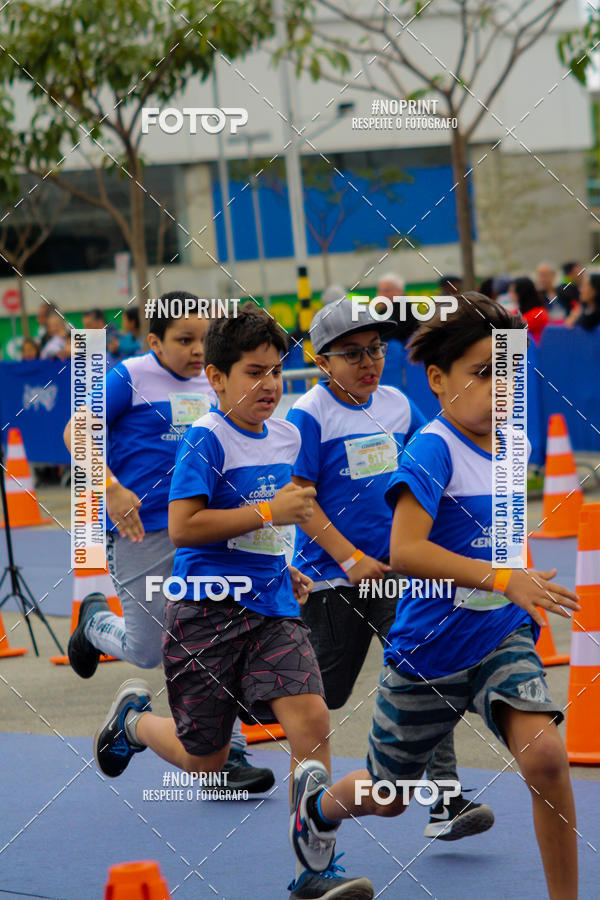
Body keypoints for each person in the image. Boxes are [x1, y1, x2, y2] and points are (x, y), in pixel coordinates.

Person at [289, 293, 579, 900]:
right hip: (425, 653)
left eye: (510, 372)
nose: (500, 386)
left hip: (500, 636)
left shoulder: (513, 443)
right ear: (438, 379)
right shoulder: (432, 448)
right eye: (483, 372)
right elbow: (410, 552)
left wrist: (514, 585)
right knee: (388, 796)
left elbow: (499, 540)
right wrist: (505, 579)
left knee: (548, 758)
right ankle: (317, 808)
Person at [92, 306, 374, 900]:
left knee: (313, 720)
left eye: (276, 371)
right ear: (217, 379)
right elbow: (187, 526)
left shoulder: (290, 434)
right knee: (205, 758)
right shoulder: (206, 440)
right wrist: (272, 515)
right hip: (206, 612)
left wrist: (288, 563)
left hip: (272, 607)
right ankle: (135, 722)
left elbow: (281, 514)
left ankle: (314, 868)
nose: (269, 384)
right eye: (253, 372)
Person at [287, 297, 494, 841]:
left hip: (398, 575)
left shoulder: (400, 405)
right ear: (321, 359)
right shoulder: (309, 414)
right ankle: (228, 719)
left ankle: (444, 799)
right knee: (321, 696)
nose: (368, 361)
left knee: (427, 669)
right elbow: (300, 500)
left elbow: (438, 455)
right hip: (333, 579)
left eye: (376, 349)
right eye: (351, 353)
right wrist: (349, 558)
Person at [64, 291, 272, 794]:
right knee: (145, 651)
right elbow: (76, 432)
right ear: (152, 340)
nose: (198, 349)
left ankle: (229, 754)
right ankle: (95, 622)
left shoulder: (216, 380)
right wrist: (110, 488)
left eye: (203, 338)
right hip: (144, 529)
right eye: (184, 340)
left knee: (224, 634)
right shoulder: (129, 377)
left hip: (206, 529)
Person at [509, 276, 549, 344]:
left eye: (513, 292)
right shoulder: (516, 311)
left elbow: (515, 327)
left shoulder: (539, 313)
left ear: (522, 293)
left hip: (534, 351)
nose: (510, 295)